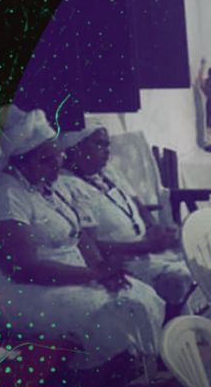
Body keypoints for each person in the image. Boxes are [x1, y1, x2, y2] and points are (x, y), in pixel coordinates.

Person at [0, 107, 165, 377]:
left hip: (73, 279)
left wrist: (102, 272)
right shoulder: (4, 193)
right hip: (23, 292)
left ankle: (128, 381)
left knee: (140, 296)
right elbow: (23, 268)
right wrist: (91, 275)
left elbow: (81, 237)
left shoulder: (50, 188)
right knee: (110, 313)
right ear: (20, 162)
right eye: (45, 159)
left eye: (56, 155)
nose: (56, 164)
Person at [55, 120, 193, 315]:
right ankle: (175, 331)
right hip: (120, 263)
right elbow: (89, 245)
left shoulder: (108, 172)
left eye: (107, 145)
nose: (106, 151)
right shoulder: (66, 186)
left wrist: (155, 229)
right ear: (76, 149)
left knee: (202, 264)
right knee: (179, 278)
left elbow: (140, 208)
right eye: (99, 144)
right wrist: (143, 247)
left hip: (148, 252)